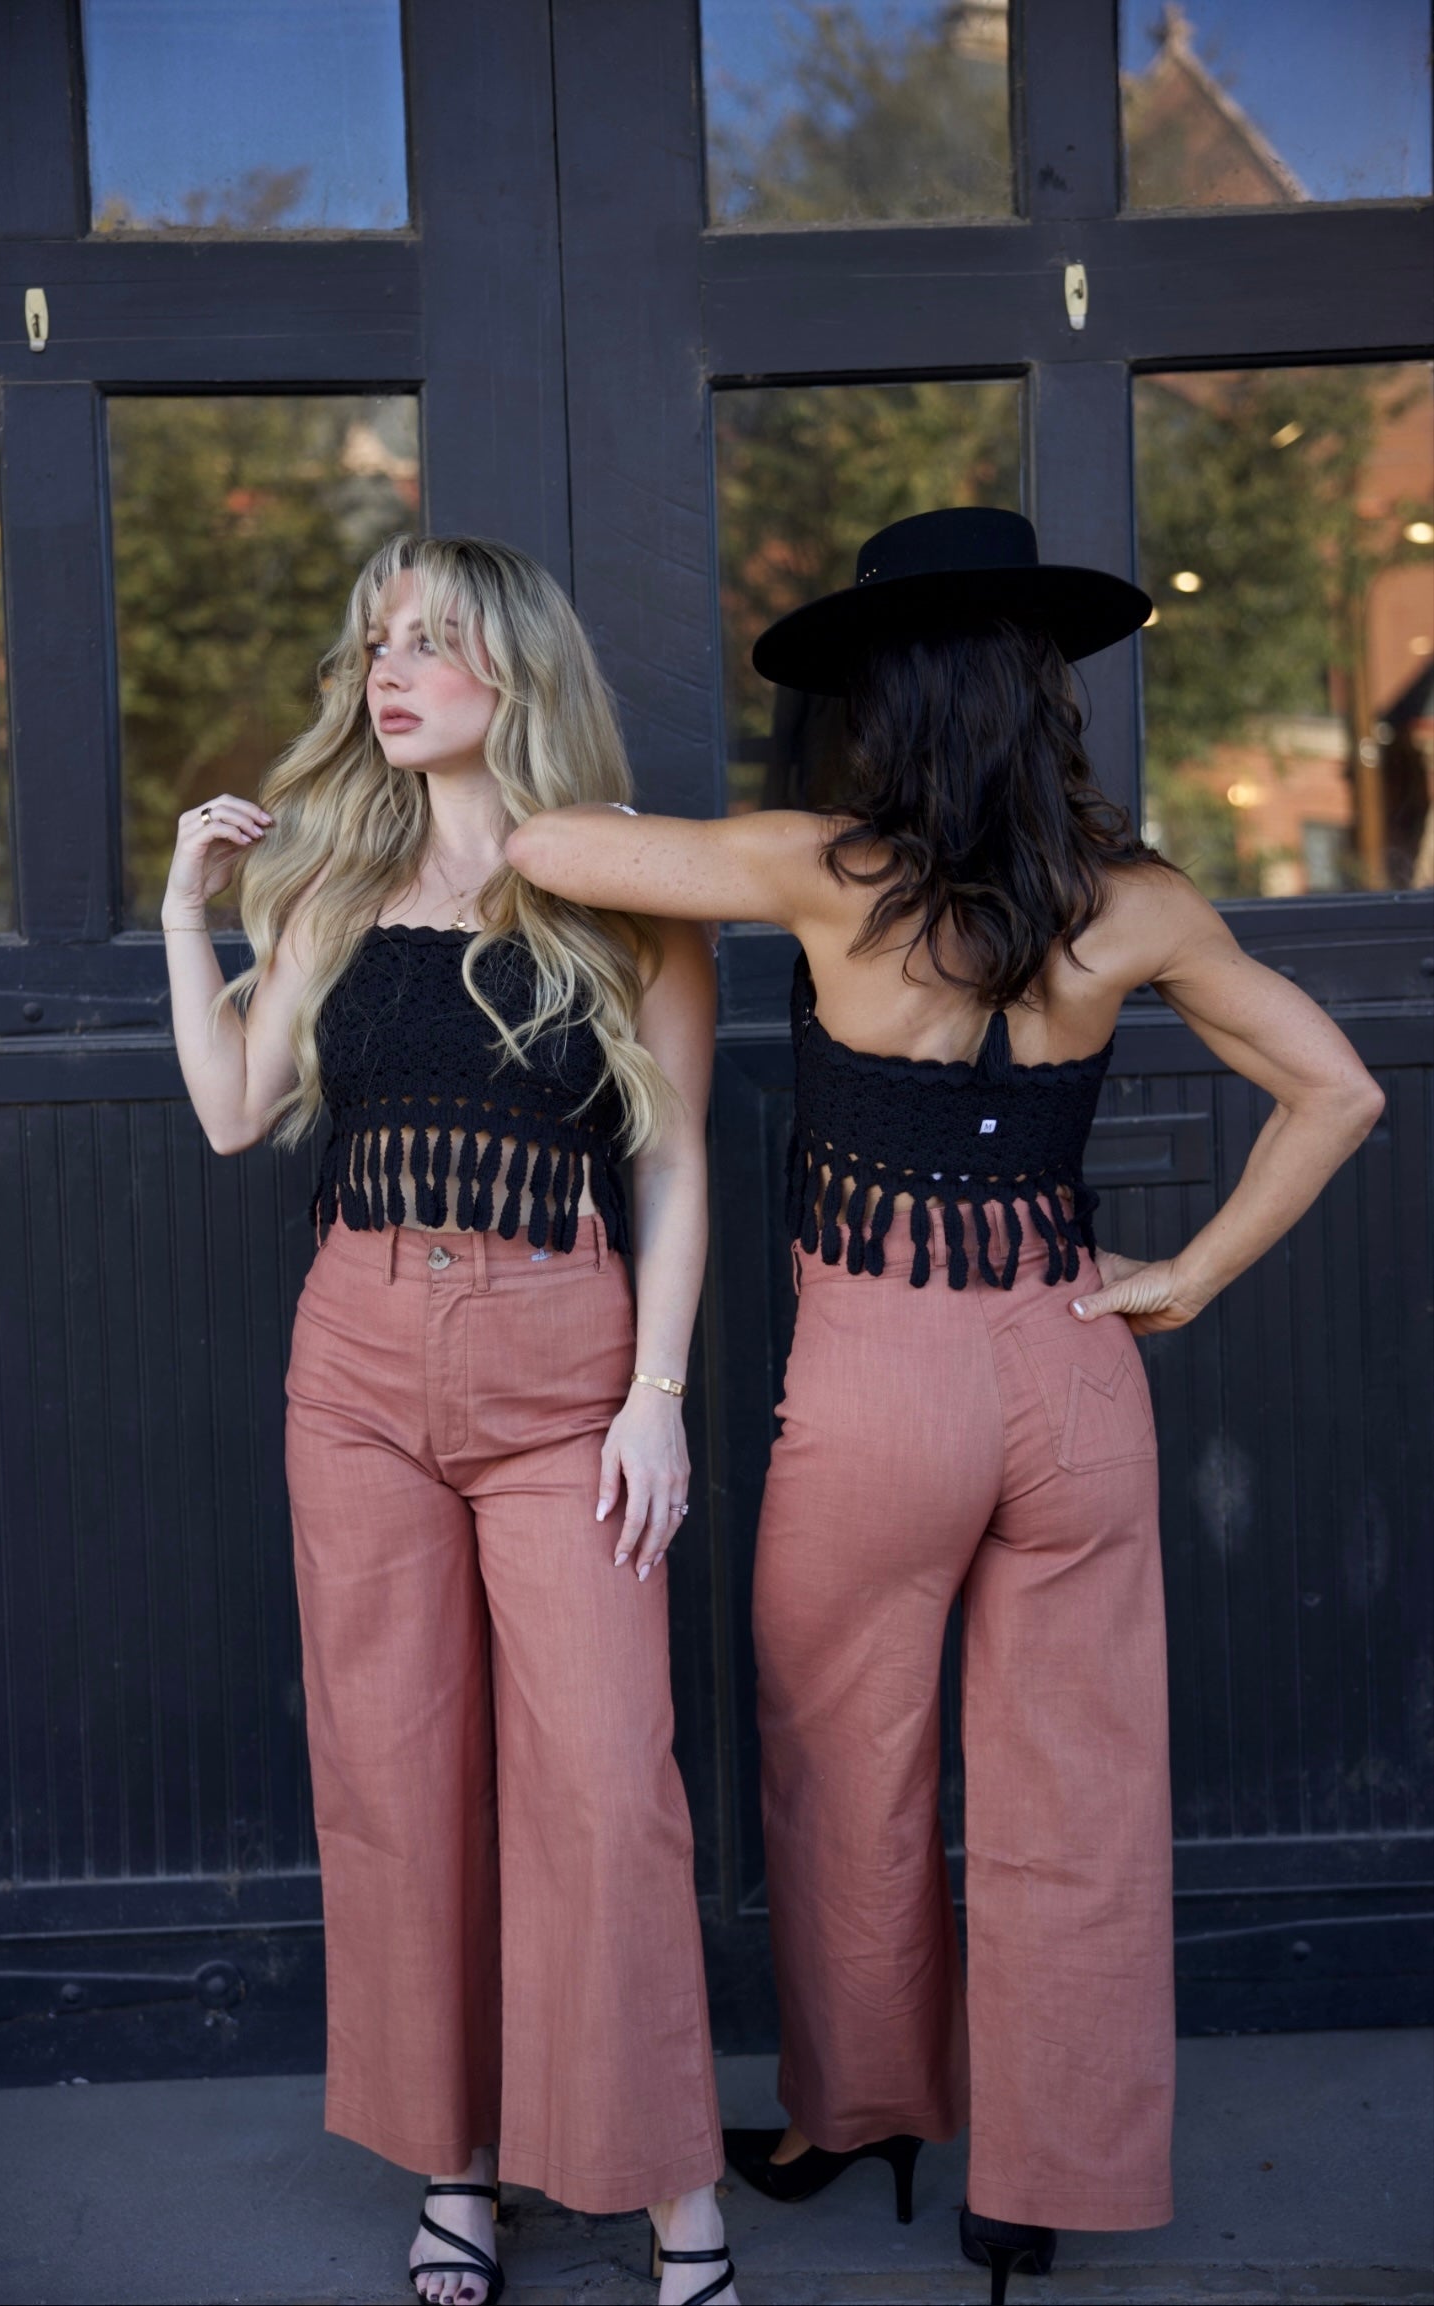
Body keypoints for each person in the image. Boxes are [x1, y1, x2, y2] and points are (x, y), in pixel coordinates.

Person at [505, 508, 1385, 2303]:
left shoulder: (827, 870)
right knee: (1078, 1787)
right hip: (1070, 1365)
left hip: (878, 1377)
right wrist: (1186, 1274)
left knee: (846, 1760)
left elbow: (548, 841)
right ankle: (1036, 2179)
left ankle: (860, 2110)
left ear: (888, 708)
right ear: (1042, 699)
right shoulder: (1135, 901)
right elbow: (1339, 1090)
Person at [161, 534, 736, 2306]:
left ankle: (670, 2182)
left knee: (602, 1783)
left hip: (563, 1355)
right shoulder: (335, 878)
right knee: (396, 1781)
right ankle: (456, 2170)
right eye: (375, 644)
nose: (388, 670)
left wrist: (656, 1397)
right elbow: (230, 1116)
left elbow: (679, 1161)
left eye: (431, 643)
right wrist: (188, 913)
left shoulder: (619, 888)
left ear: (517, 673)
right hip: (353, 1352)